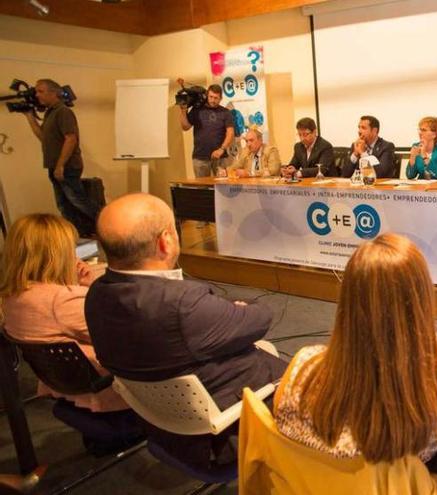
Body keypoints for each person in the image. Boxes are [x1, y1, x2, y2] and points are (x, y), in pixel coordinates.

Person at [84, 193, 287, 468]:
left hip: (162, 423)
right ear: (165, 241)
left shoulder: (96, 295)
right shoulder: (182, 305)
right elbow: (260, 318)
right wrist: (240, 305)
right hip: (231, 429)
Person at [274, 233, 437, 495]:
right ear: (420, 303)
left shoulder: (302, 365)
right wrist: (426, 332)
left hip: (313, 486)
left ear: (348, 299)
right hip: (402, 488)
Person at [0, 214, 128, 414]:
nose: (75, 257)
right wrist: (94, 287)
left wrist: (78, 284)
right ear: (56, 256)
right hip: (108, 385)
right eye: (71, 249)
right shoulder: (63, 301)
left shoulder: (12, 297)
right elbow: (124, 329)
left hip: (63, 383)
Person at [22, 79, 99, 238]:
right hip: (54, 165)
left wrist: (60, 166)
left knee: (78, 201)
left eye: (41, 91)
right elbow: (43, 137)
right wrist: (29, 116)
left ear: (54, 93)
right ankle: (77, 234)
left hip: (67, 166)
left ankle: (109, 224)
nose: (37, 95)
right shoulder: (50, 113)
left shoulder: (63, 111)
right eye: (36, 92)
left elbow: (71, 139)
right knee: (64, 205)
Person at [177, 80, 234, 178]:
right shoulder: (197, 110)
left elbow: (230, 133)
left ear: (221, 98)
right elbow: (185, 127)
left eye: (216, 98)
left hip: (220, 157)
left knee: (224, 188)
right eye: (211, 97)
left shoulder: (225, 112)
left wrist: (221, 149)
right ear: (207, 95)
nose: (213, 100)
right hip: (200, 157)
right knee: (202, 189)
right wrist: (183, 111)